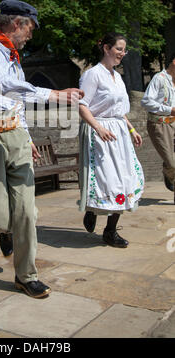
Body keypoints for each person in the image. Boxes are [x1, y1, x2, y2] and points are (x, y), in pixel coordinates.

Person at [0, 0, 83, 298]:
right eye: (30, 28)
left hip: (16, 134)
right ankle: (5, 232)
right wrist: (54, 93)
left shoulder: (16, 60)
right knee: (2, 217)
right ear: (17, 23)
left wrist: (27, 137)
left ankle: (25, 276)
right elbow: (3, 85)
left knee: (27, 212)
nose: (31, 35)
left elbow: (16, 103)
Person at [78, 32, 144, 248]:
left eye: (124, 50)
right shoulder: (92, 75)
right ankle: (92, 208)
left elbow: (118, 110)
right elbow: (82, 106)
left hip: (119, 134)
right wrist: (98, 128)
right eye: (118, 49)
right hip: (99, 132)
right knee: (106, 181)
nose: (122, 54)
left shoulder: (117, 76)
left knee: (124, 180)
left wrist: (132, 129)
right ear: (106, 48)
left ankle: (110, 231)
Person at [141, 53, 175, 191]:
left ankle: (169, 171)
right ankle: (169, 170)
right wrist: (169, 110)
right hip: (160, 124)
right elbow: (146, 102)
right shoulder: (159, 79)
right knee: (172, 162)